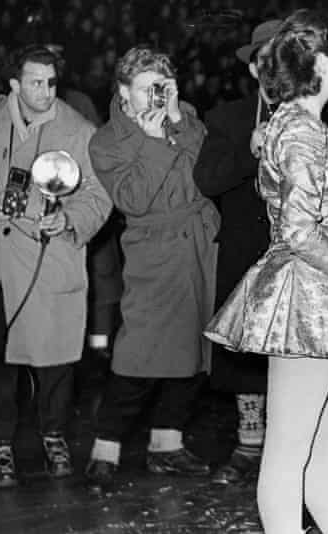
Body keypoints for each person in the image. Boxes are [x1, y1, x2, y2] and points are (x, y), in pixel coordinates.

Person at [203, 9, 328, 534]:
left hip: (319, 295)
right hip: (308, 300)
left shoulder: (295, 125)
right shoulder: (304, 134)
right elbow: (300, 234)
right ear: (319, 61)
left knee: (321, 450)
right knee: (289, 454)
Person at [0, 44, 112, 487]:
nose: (45, 91)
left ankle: (53, 435)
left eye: (52, 82)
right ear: (15, 84)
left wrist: (70, 217)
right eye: (36, 82)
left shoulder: (78, 129)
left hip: (47, 259)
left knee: (54, 358)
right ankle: (0, 444)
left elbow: (99, 194)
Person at [84, 46, 220, 493]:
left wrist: (179, 120)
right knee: (138, 356)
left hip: (200, 246)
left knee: (196, 351)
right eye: (146, 89)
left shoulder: (184, 116)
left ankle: (168, 444)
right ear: (124, 92)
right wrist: (156, 141)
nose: (155, 98)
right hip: (154, 252)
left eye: (162, 87)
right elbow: (134, 200)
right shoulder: (107, 140)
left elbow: (209, 168)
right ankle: (105, 447)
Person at [193, 19, 281, 485]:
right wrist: (249, 154)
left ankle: (291, 444)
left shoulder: (322, 114)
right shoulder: (228, 118)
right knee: (245, 352)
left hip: (300, 253)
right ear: (253, 69)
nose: (274, 69)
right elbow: (206, 181)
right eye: (265, 61)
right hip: (247, 247)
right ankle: (250, 442)